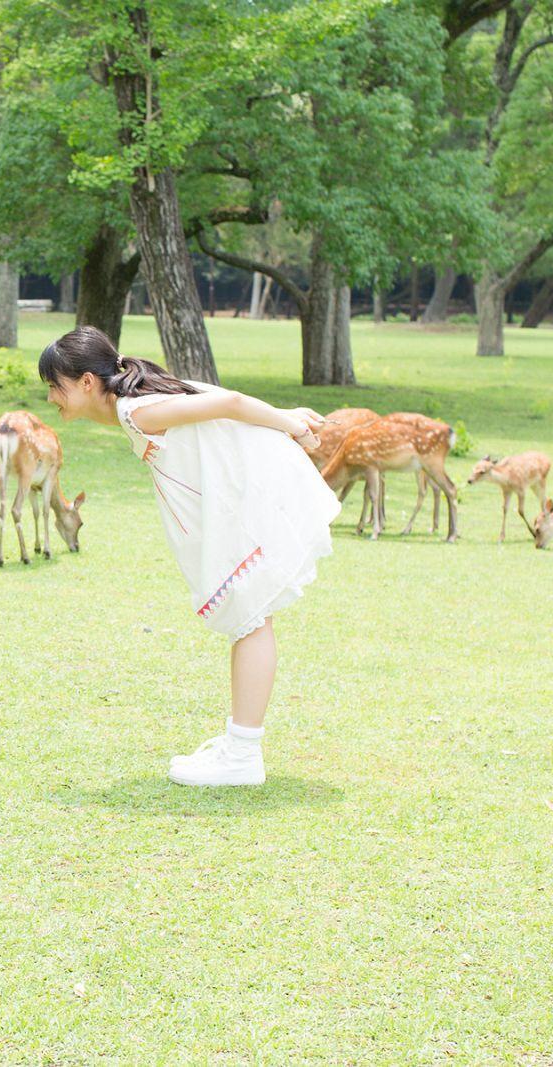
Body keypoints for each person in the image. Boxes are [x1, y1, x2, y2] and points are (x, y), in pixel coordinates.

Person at [39, 327, 340, 786]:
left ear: (84, 382)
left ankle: (242, 755)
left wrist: (290, 422)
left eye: (53, 386)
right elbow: (216, 401)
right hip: (237, 493)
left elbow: (231, 402)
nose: (50, 399)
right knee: (251, 620)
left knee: (252, 619)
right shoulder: (135, 404)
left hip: (247, 495)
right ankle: (240, 748)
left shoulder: (137, 408)